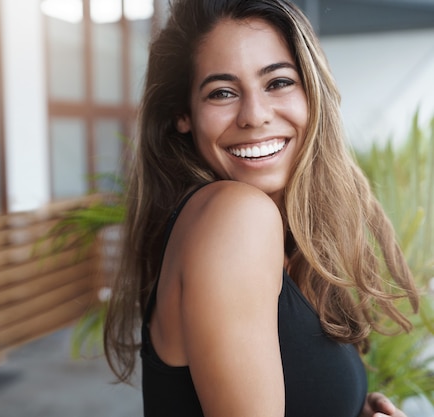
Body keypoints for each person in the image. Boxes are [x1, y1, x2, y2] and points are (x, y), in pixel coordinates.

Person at [102, 1, 420, 416]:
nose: (255, 115)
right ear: (184, 115)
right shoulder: (235, 216)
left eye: (278, 83)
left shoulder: (282, 238)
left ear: (311, 94)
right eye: (222, 92)